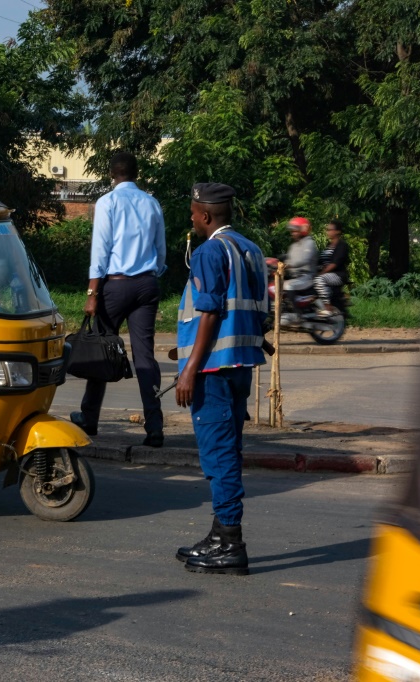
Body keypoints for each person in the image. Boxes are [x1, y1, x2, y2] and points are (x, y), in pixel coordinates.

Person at [174, 182, 268, 576]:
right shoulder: (251, 249)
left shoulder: (210, 250)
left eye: (194, 213)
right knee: (229, 450)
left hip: (212, 371)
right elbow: (253, 310)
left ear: (206, 216)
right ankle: (219, 536)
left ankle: (230, 543)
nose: (192, 219)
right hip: (241, 366)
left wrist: (189, 369)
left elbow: (210, 312)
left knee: (218, 456)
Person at [69, 151, 167, 447]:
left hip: (116, 284)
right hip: (147, 284)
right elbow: (160, 251)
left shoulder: (107, 203)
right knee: (145, 356)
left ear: (112, 174)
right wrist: (151, 273)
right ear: (137, 173)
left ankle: (89, 418)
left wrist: (92, 292)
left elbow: (100, 250)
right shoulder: (152, 203)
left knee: (101, 347)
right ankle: (155, 427)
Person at [313, 220, 350, 316]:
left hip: (338, 275)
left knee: (319, 280)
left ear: (338, 231)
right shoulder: (328, 246)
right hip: (327, 274)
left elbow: (335, 263)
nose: (328, 232)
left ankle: (328, 307)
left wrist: (321, 273)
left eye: (330, 229)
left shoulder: (342, 245)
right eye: (327, 230)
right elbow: (319, 262)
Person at [282, 216, 317, 294]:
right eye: (292, 231)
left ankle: (293, 306)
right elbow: (288, 260)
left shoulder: (309, 243)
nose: (292, 233)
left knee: (288, 286)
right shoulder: (293, 246)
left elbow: (305, 259)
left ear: (303, 230)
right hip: (294, 277)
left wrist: (288, 265)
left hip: (307, 277)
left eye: (295, 231)